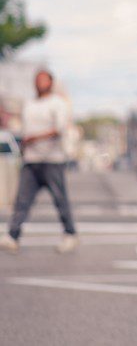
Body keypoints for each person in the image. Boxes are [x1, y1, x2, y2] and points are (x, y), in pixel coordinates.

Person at [0, 69, 78, 254]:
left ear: (50, 82)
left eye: (43, 80)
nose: (40, 83)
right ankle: (13, 236)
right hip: (31, 160)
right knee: (22, 200)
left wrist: (34, 138)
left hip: (53, 160)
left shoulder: (57, 103)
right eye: (37, 80)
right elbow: (24, 129)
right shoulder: (30, 104)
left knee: (60, 199)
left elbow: (59, 129)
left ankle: (70, 234)